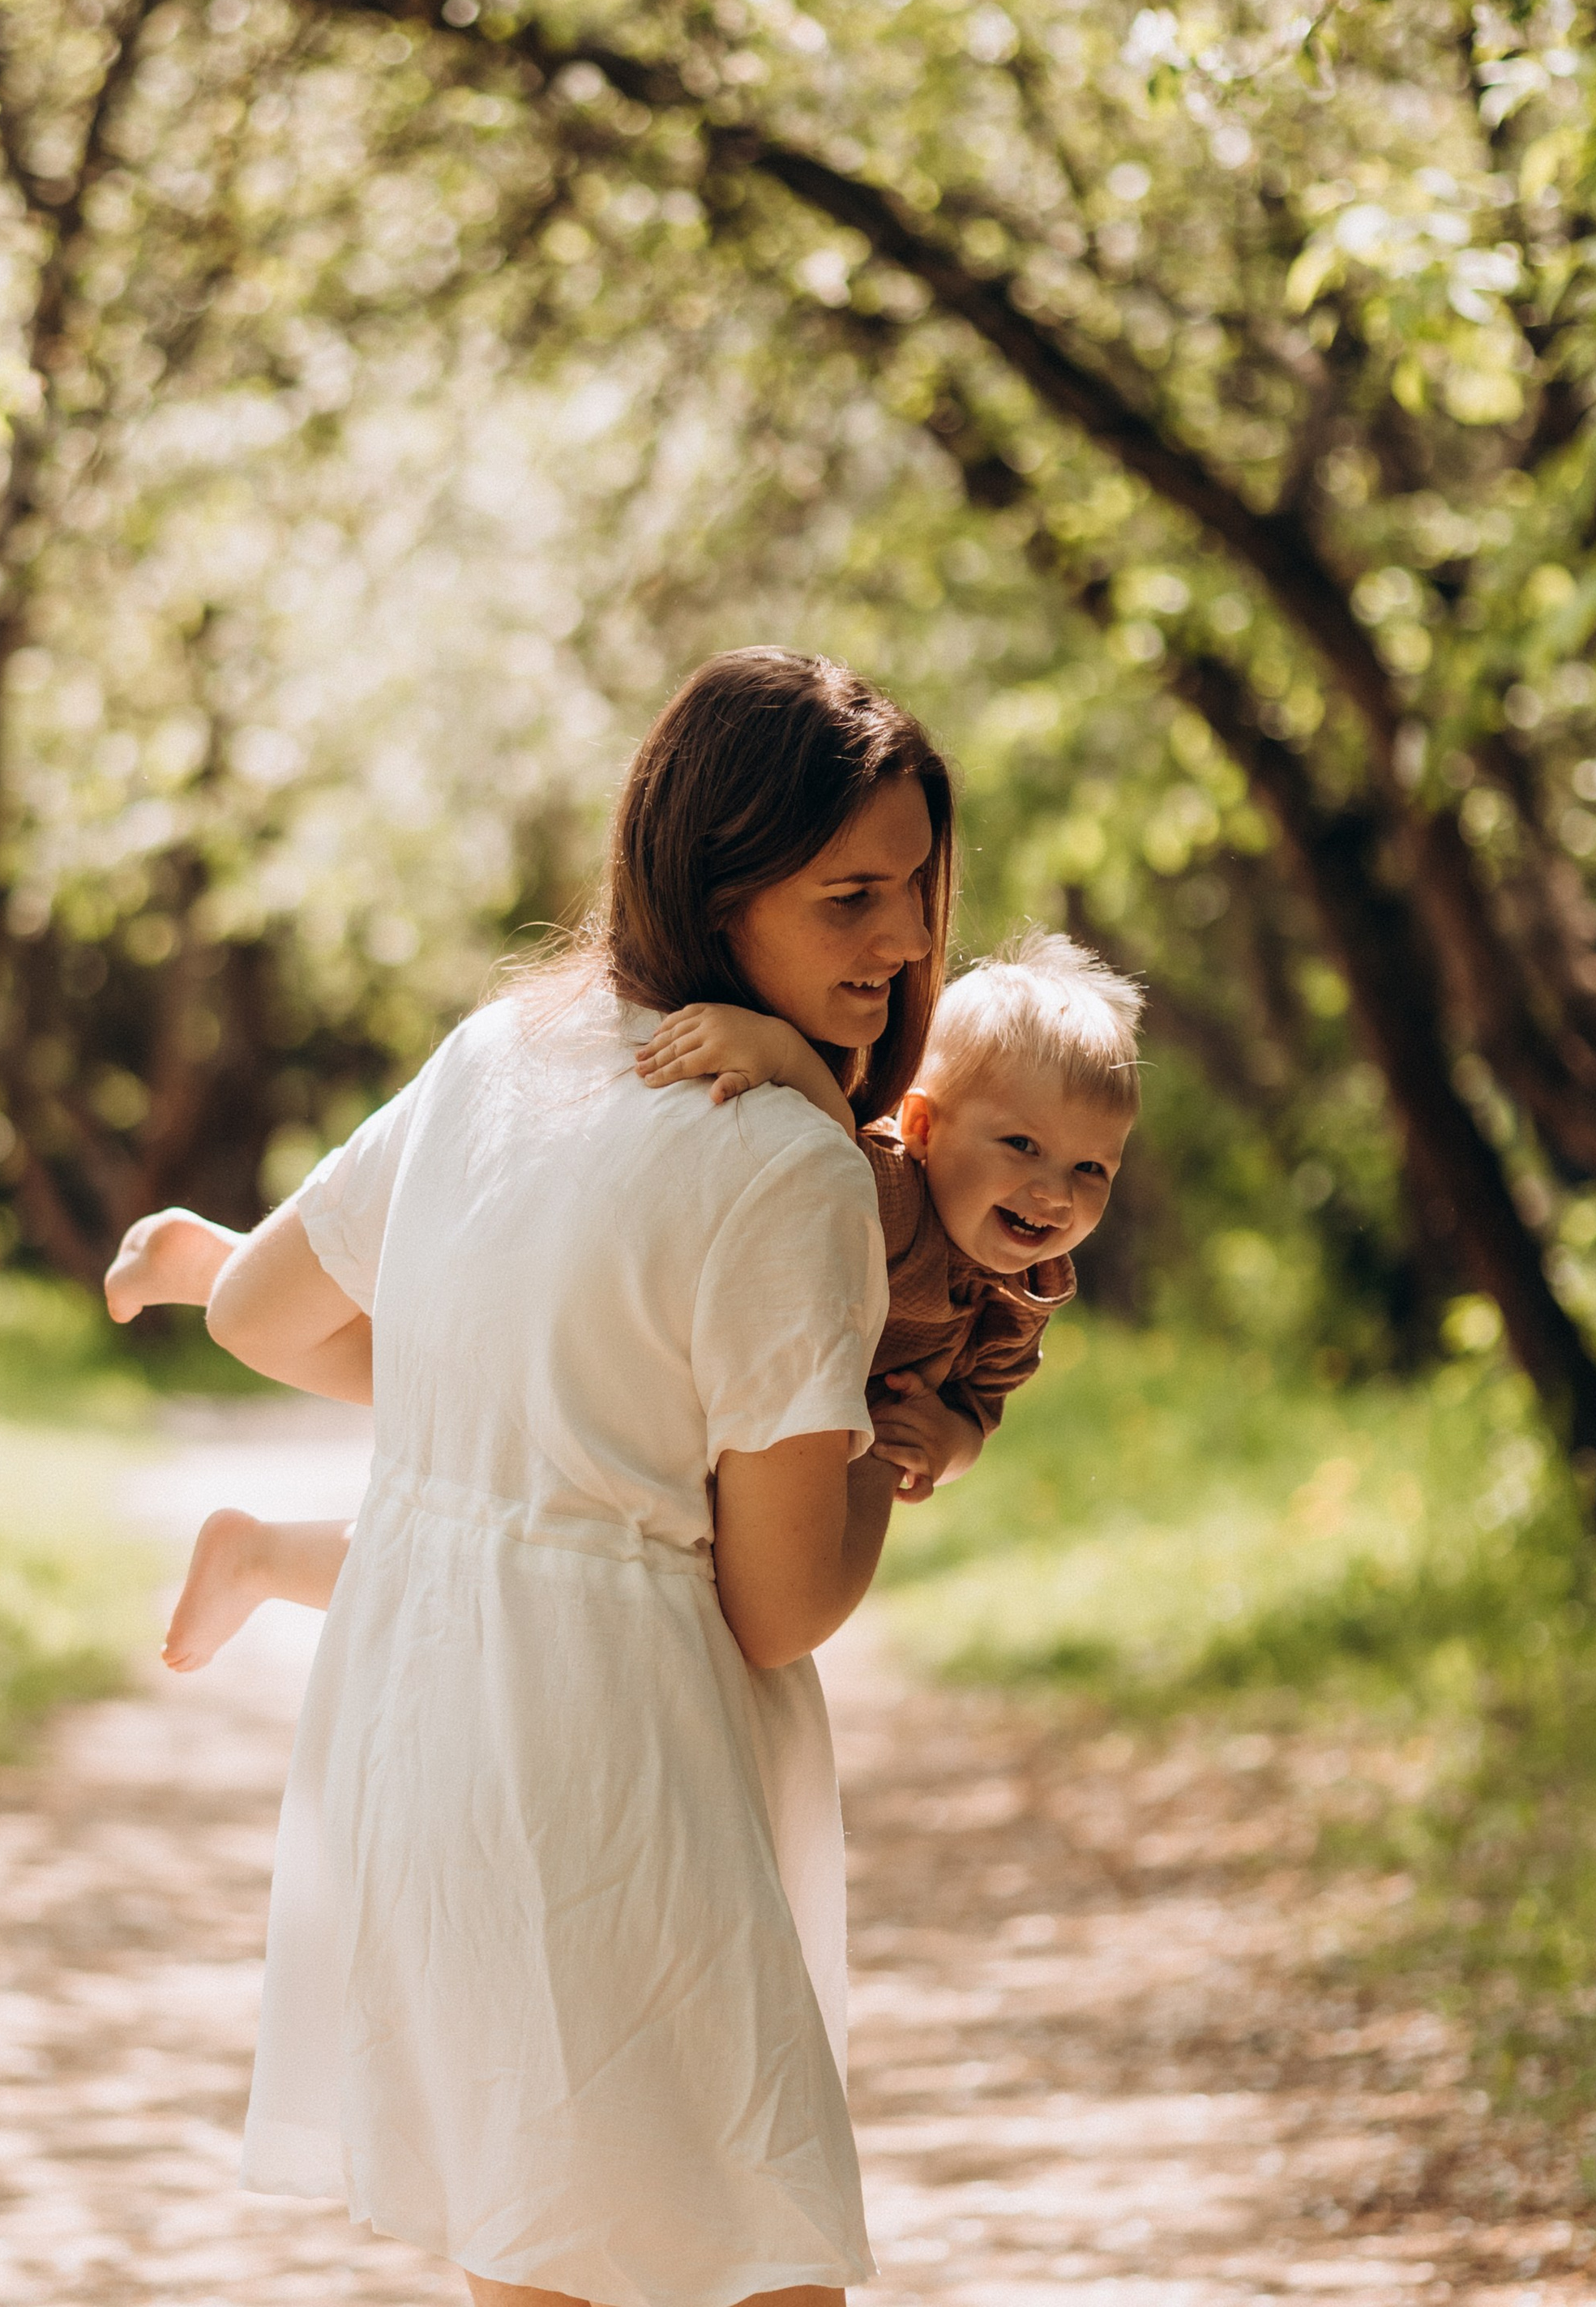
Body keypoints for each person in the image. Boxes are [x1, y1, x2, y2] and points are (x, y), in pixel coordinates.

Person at [112, 647, 953, 2307]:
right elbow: (780, 1604)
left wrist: (529, 1410)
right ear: (714, 885)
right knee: (752, 2259)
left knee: (531, 2254)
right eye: (849, 896)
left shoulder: (500, 1051)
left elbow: (262, 1312)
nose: (906, 940)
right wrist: (891, 1431)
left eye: (918, 887)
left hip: (419, 1728)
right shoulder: (788, 1167)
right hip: (613, 1761)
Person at [117, 930, 1145, 1666]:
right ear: (921, 1127)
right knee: (509, 1548)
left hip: (741, 1439)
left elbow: (977, 1414)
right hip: (682, 1399)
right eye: (1022, 1146)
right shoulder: (885, 1187)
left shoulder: (1023, 1296)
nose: (1053, 1193)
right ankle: (213, 1276)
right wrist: (781, 1052)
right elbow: (830, 1138)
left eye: (1091, 1169)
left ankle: (258, 1550)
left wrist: (944, 1443)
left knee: (487, 1541)